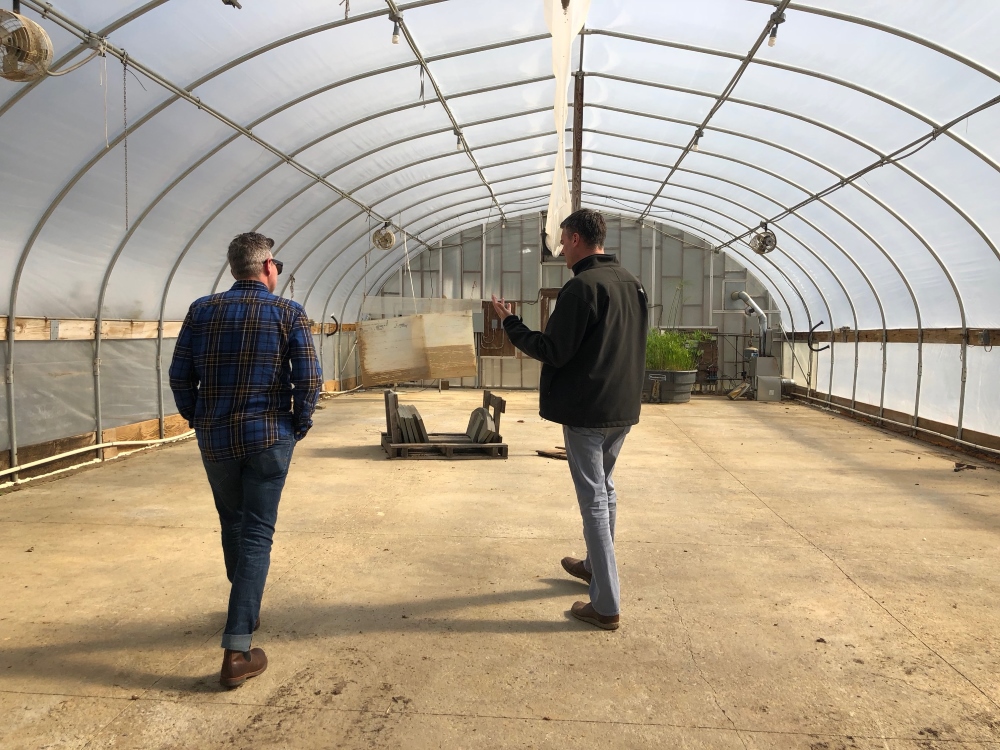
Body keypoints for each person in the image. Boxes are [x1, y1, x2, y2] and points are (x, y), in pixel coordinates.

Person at [169, 232, 322, 687]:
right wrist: (298, 424)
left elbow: (180, 375)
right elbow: (309, 379)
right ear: (268, 267)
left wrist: (199, 418)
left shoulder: (201, 310)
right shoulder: (288, 312)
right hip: (268, 438)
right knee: (258, 532)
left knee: (232, 521)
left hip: (216, 439)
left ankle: (245, 609)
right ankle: (237, 651)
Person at [492, 209, 648, 630]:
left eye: (563, 240)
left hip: (587, 410)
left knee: (593, 499)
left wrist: (509, 322)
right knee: (606, 490)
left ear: (577, 238)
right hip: (621, 408)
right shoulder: (631, 284)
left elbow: (553, 350)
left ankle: (607, 604)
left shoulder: (581, 288)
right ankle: (595, 569)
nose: (561, 249)